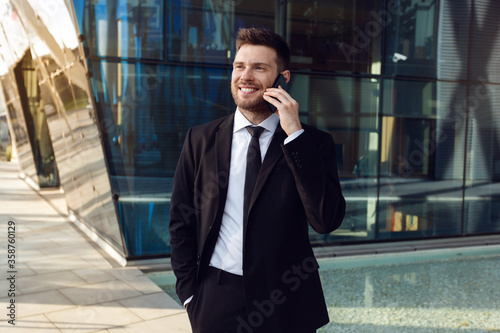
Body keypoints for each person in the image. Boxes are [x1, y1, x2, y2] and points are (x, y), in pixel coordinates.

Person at [169, 27, 345, 333]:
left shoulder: (313, 143)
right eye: (239, 66)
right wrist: (190, 294)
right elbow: (180, 221)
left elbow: (326, 220)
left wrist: (295, 136)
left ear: (282, 79)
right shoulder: (200, 139)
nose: (245, 76)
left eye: (259, 68)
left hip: (287, 301)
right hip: (215, 298)